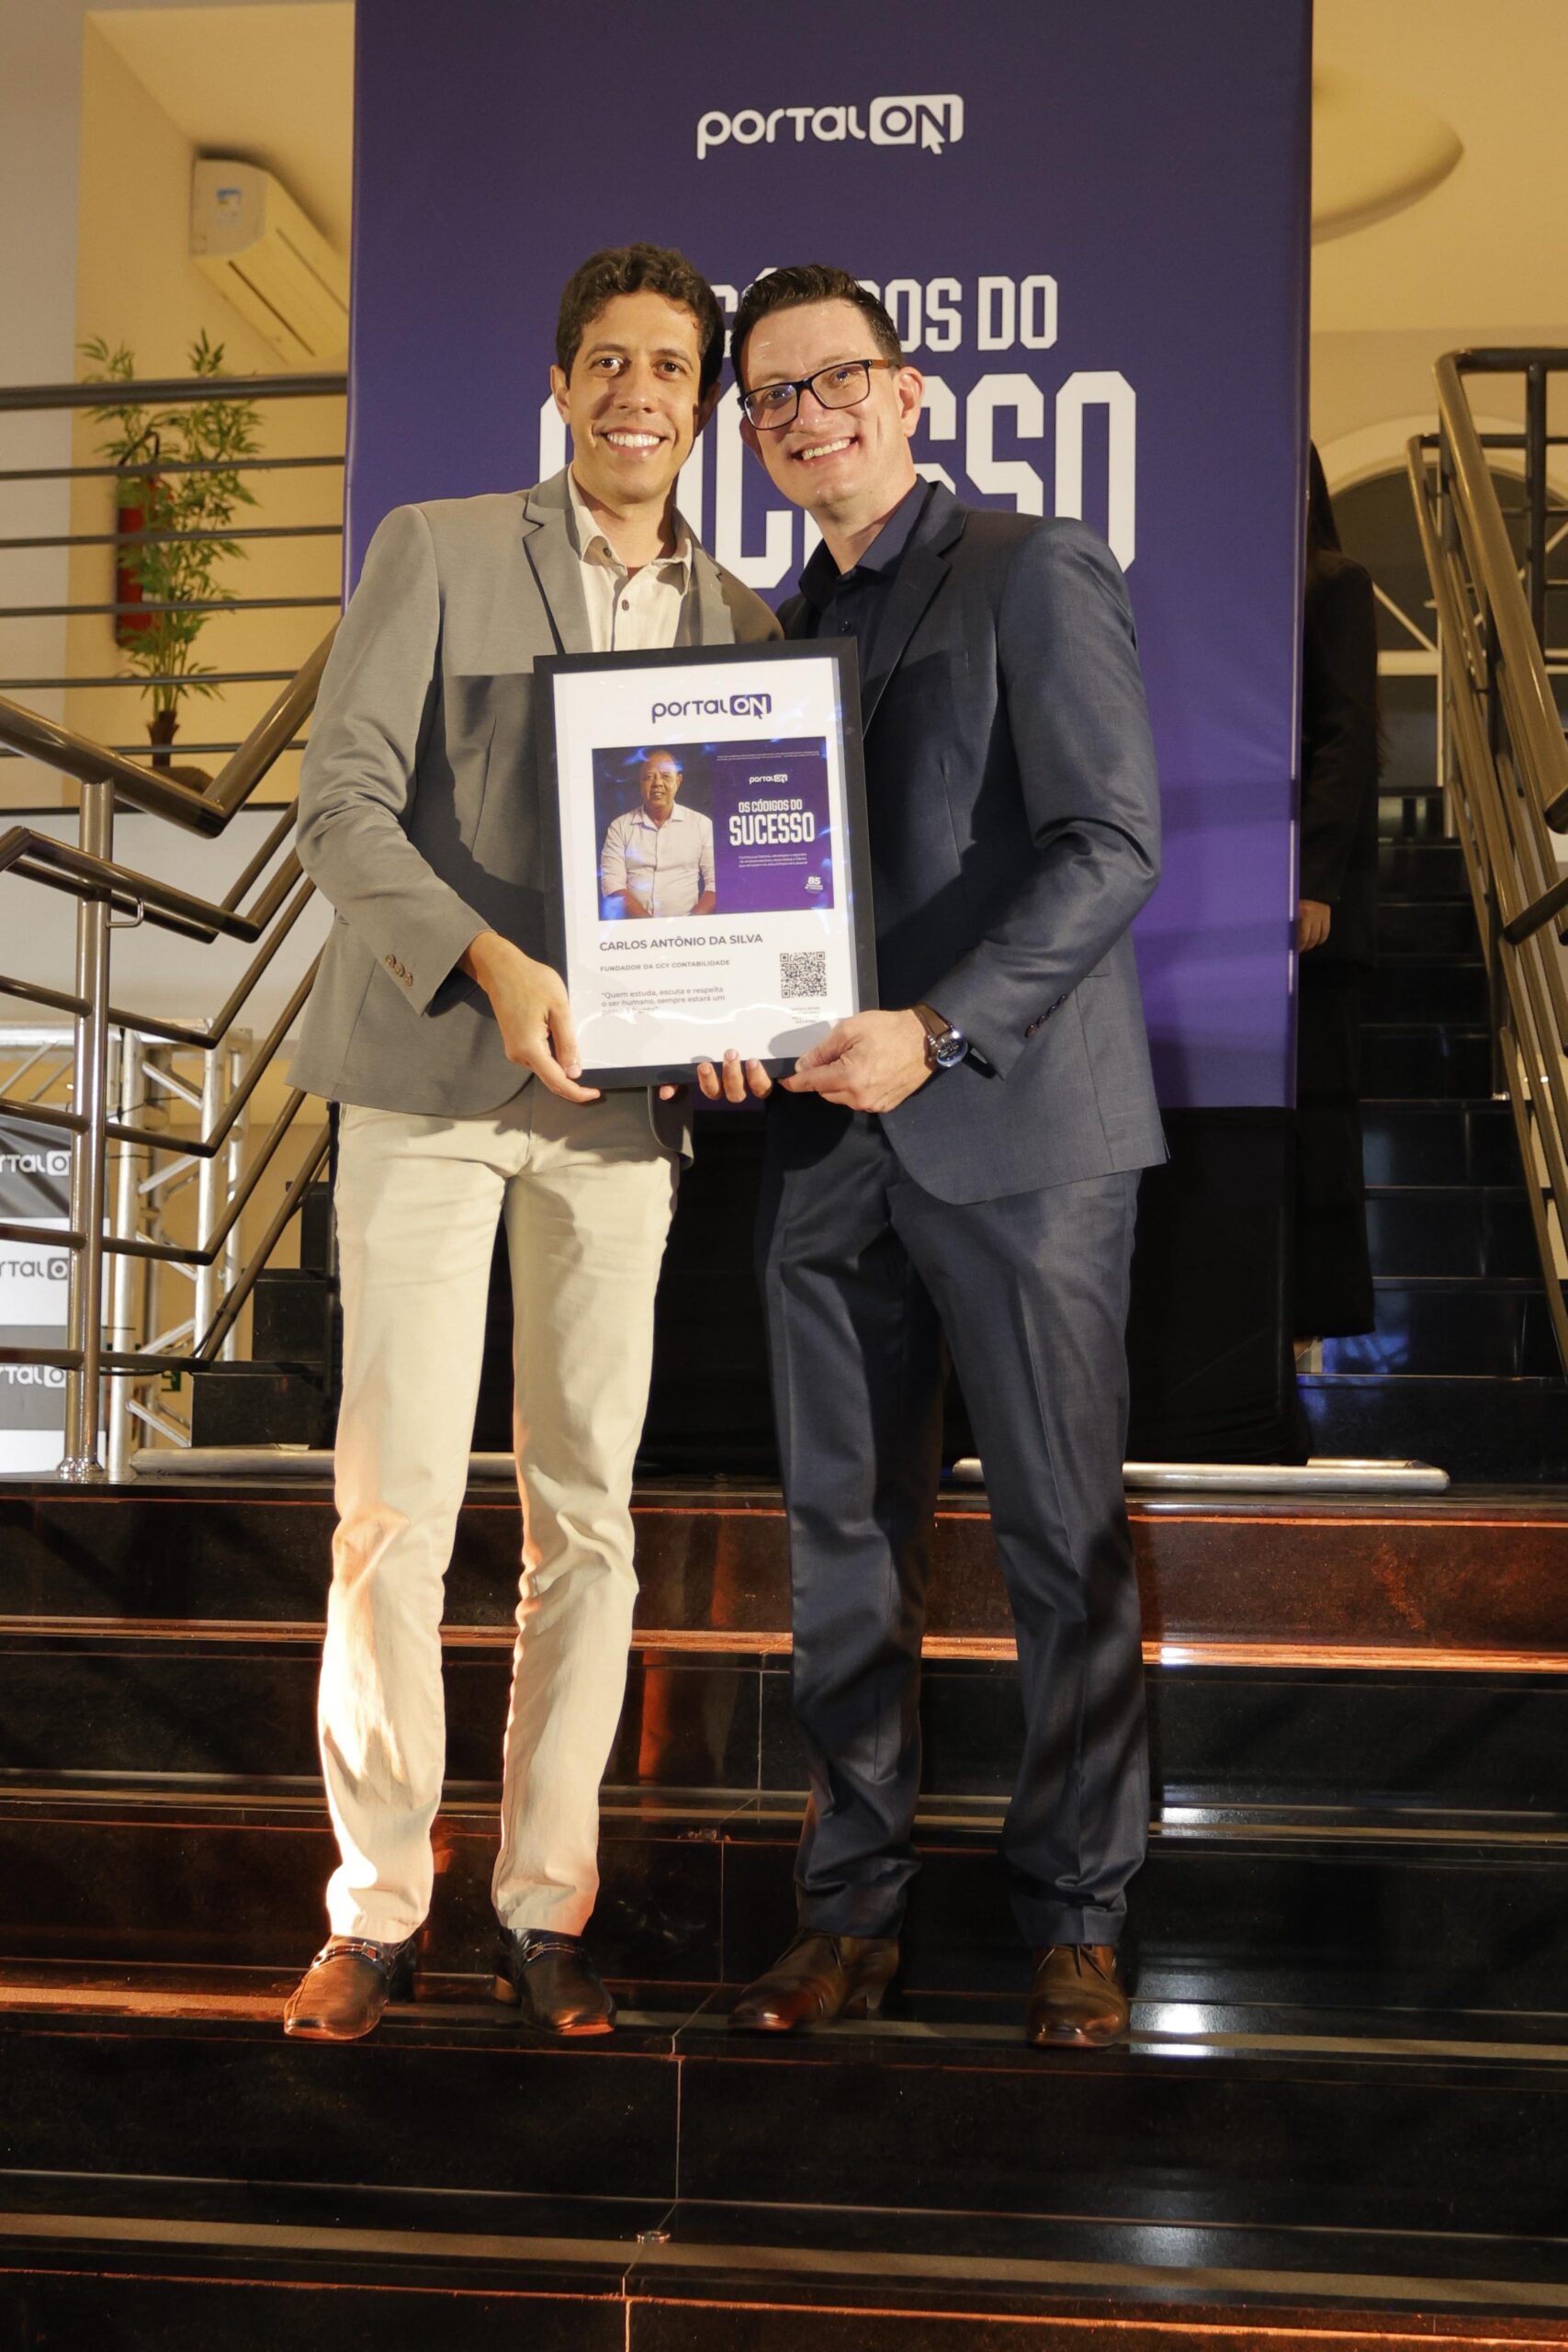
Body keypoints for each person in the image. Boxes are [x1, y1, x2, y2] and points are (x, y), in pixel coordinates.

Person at [280, 243, 778, 2043]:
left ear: (702, 405)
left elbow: (747, 888)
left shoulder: (745, 629)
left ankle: (542, 1907)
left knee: (588, 1514)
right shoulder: (433, 547)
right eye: (606, 361)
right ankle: (376, 1910)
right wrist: (489, 961)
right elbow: (339, 804)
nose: (637, 391)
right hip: (428, 1079)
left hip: (620, 1116)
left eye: (670, 366)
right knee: (393, 1507)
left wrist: (740, 1012)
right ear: (561, 385)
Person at [707, 263, 1165, 2051]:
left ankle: (1076, 1921)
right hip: (822, 1142)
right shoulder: (760, 636)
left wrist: (942, 1025)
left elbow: (1107, 842)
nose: (803, 414)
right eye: (771, 395)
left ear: (907, 394)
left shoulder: (1027, 567)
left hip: (1020, 1129)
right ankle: (848, 1912)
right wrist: (716, 1016)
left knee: (1059, 1536)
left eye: (833, 379)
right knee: (840, 1544)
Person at [1295, 445, 1381, 1348]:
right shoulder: (1237, 591)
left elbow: (1349, 735)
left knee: (1320, 1114)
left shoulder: (1335, 581)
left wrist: (1313, 878)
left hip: (1316, 907)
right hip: (1255, 898)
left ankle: (1317, 1324)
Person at [601, 751, 716, 917]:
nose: (657, 783)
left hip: (688, 927)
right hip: (634, 928)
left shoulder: (701, 825)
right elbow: (612, 884)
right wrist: (650, 927)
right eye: (649, 777)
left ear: (678, 781)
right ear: (640, 783)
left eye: (666, 776)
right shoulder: (620, 827)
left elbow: (716, 883)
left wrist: (689, 925)